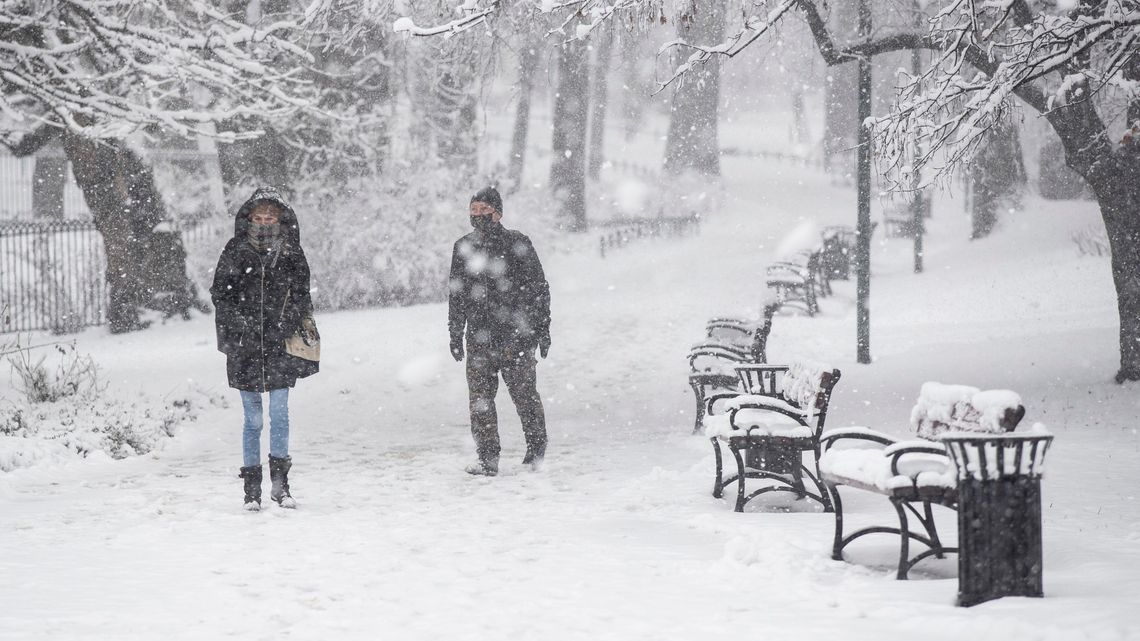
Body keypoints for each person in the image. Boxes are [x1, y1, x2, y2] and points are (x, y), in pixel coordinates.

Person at [210, 187, 318, 510]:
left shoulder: (291, 252)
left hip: (280, 347)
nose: (264, 220)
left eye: (270, 215)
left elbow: (302, 294)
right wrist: (239, 324)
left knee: (280, 413)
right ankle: (251, 490)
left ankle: (281, 485)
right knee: (253, 419)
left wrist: (287, 321)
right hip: (244, 349)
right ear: (249, 218)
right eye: (259, 215)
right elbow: (220, 294)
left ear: (281, 217)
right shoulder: (235, 250)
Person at [448, 186, 551, 476]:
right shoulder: (463, 247)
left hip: (517, 336)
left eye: (484, 210)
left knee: (524, 394)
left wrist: (542, 328)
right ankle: (487, 458)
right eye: (473, 210)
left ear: (498, 212)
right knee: (480, 400)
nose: (477, 215)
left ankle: (536, 449)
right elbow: (457, 295)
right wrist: (455, 333)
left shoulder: (518, 243)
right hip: (479, 337)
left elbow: (539, 288)